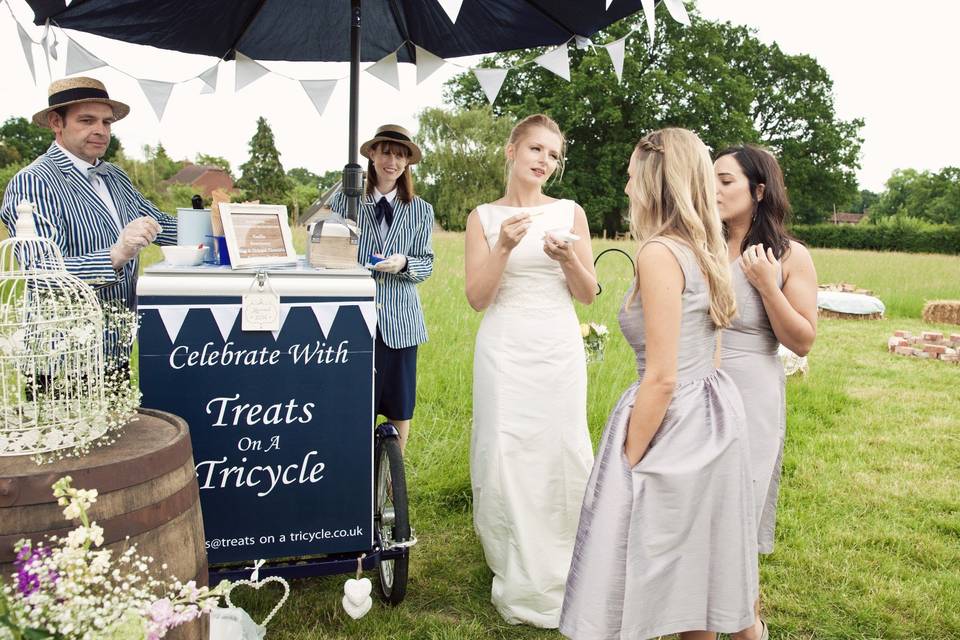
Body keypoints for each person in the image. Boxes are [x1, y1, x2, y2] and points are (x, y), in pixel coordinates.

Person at [560, 128, 760, 640]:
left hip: (677, 419)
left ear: (654, 182)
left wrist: (628, 458)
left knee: (656, 551)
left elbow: (663, 375)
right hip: (715, 412)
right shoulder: (706, 246)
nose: (626, 188)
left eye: (630, 176)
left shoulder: (659, 253)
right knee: (698, 571)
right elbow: (712, 350)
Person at [465, 113, 597, 628]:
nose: (545, 161)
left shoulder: (570, 212)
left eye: (553, 155)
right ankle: (512, 554)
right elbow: (477, 298)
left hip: (557, 346)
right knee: (505, 447)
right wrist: (503, 246)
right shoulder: (483, 217)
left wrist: (567, 259)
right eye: (536, 149)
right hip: (504, 347)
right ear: (512, 150)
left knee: (561, 447)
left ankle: (568, 555)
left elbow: (588, 294)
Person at [715, 145, 818, 640]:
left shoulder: (789, 254)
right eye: (710, 179)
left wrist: (767, 286)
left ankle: (746, 626)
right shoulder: (701, 244)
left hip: (751, 393)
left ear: (758, 191)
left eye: (726, 181)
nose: (714, 190)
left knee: (735, 519)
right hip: (696, 389)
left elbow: (801, 340)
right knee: (698, 515)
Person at [1, 76, 176, 313]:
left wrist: (227, 222)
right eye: (87, 120)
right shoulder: (34, 181)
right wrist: (117, 253)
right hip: (65, 340)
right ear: (56, 122)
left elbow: (161, 225)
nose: (100, 131)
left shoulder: (114, 175)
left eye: (106, 122)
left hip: (119, 334)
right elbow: (41, 272)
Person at [329, 124, 434, 453]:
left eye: (401, 155)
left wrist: (404, 263)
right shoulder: (345, 200)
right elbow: (327, 252)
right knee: (354, 403)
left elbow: (426, 264)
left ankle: (392, 482)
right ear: (372, 154)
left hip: (401, 324)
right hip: (354, 319)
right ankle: (353, 470)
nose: (393, 161)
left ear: (407, 164)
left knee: (400, 406)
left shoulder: (421, 210)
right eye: (386, 151)